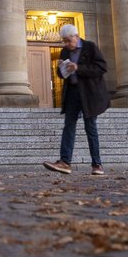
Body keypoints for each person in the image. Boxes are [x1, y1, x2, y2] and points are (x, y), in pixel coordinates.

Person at [43, 23, 110, 176]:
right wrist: (60, 68)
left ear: (76, 36)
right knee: (69, 126)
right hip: (72, 92)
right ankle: (65, 162)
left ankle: (97, 164)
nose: (66, 44)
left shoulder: (90, 47)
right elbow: (62, 76)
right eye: (64, 41)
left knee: (90, 127)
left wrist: (79, 68)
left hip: (89, 93)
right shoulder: (64, 52)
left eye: (68, 41)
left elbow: (102, 67)